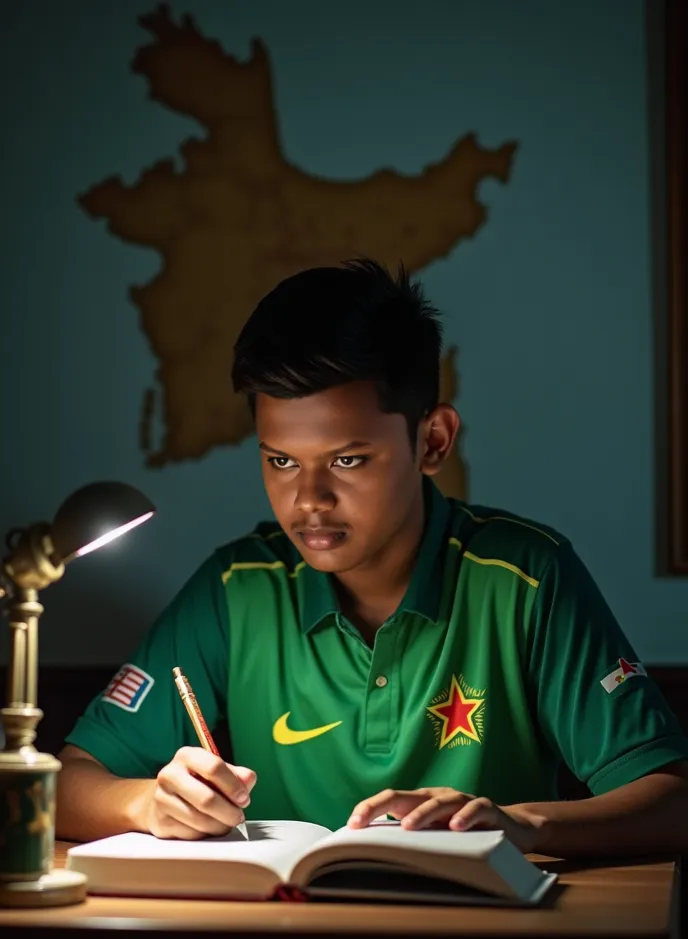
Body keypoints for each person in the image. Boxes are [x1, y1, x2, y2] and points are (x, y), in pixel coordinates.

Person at [56, 258, 688, 856]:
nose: (309, 501)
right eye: (280, 461)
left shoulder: (525, 577)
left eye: (347, 460)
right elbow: (66, 782)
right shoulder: (236, 586)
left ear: (433, 441)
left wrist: (517, 824)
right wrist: (150, 805)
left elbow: (671, 801)